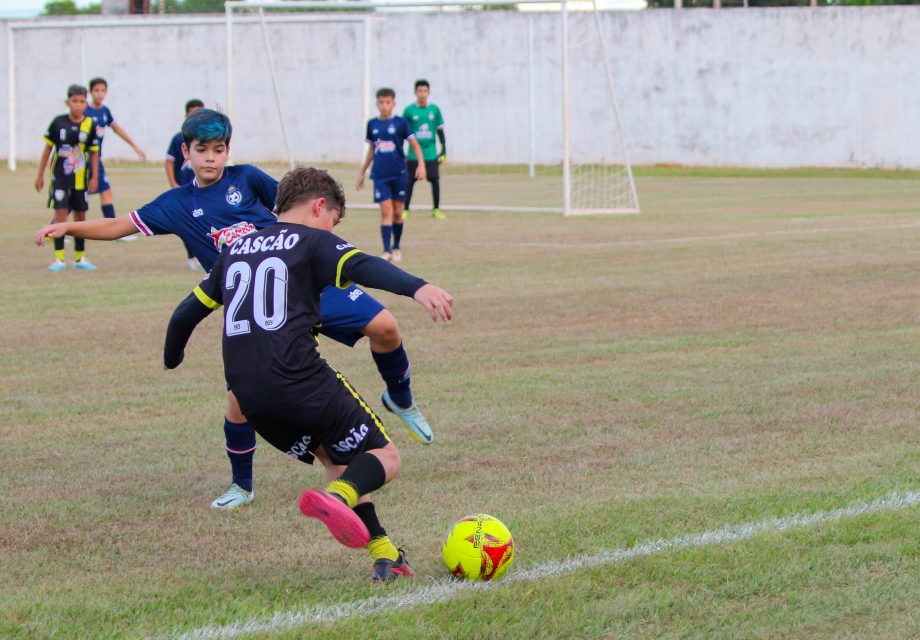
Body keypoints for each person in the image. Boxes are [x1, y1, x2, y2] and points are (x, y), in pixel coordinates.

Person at [36, 108, 437, 512]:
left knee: (385, 326)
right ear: (185, 152)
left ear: (229, 150)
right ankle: (242, 486)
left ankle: (400, 398)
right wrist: (69, 227)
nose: (211, 157)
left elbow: (294, 204)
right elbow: (120, 225)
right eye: (202, 149)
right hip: (257, 303)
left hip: (301, 278)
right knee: (240, 398)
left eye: (219, 149)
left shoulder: (246, 178)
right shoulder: (175, 204)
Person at [163, 166, 453, 581]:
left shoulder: (236, 249)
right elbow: (366, 267)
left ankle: (385, 553)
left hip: (249, 398)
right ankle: (336, 496)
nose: (331, 229)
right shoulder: (313, 241)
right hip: (298, 380)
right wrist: (417, 287)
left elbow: (185, 314)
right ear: (320, 206)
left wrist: (172, 358)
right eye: (333, 221)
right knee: (384, 457)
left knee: (336, 455)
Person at [35, 84, 100, 271]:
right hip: (60, 179)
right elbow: (48, 150)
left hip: (81, 179)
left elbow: (95, 153)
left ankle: (80, 258)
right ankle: (59, 259)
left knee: (81, 217)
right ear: (67, 102)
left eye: (81, 101)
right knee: (60, 215)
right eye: (74, 101)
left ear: (86, 103)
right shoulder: (58, 123)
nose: (78, 105)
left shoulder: (90, 125)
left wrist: (94, 177)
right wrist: (40, 175)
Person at [357, 88, 426, 263]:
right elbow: (372, 150)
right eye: (381, 102)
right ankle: (387, 250)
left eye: (388, 102)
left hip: (399, 174)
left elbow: (415, 145)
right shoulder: (372, 124)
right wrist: (362, 172)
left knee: (397, 212)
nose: (384, 105)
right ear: (377, 103)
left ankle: (396, 246)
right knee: (385, 212)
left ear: (393, 104)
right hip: (380, 175)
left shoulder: (401, 123)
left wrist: (421, 165)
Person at [86, 77, 147, 242]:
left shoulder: (105, 111)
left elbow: (117, 129)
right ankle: (113, 231)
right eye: (96, 91)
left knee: (105, 192)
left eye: (102, 91)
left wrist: (135, 146)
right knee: (81, 196)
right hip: (85, 160)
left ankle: (113, 231)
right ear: (91, 92)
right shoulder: (85, 111)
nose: (100, 94)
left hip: (96, 159)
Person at [165, 99, 206, 271]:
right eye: (193, 113)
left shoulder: (207, 138)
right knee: (190, 223)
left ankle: (205, 256)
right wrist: (173, 183)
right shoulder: (178, 138)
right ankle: (192, 257)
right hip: (185, 189)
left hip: (203, 189)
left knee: (205, 222)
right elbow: (169, 162)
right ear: (186, 115)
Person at [402, 79, 446, 220]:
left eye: (425, 91)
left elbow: (440, 131)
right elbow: (402, 132)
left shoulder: (435, 110)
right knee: (409, 182)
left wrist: (444, 150)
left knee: (435, 181)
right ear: (415, 92)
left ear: (429, 93)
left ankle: (436, 209)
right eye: (419, 91)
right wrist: (401, 152)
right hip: (413, 154)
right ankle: (406, 209)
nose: (422, 93)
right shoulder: (409, 111)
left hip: (431, 153)